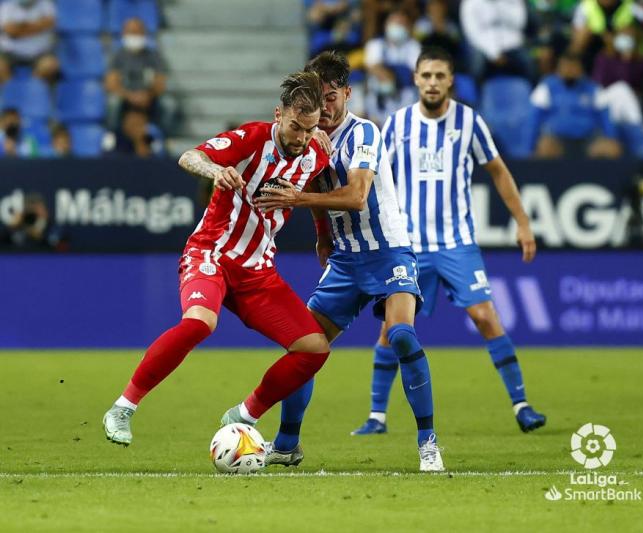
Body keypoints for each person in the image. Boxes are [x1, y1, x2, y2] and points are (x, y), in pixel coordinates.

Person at [102, 71, 332, 447]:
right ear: (279, 114)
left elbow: (320, 186)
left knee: (314, 349)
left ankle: (243, 415)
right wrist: (216, 171)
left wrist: (322, 235)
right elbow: (189, 156)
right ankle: (123, 407)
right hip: (211, 252)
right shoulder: (253, 137)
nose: (302, 138)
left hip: (257, 270)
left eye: (309, 130)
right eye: (295, 128)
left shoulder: (315, 154)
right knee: (199, 323)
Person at [243, 50, 444, 472]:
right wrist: (320, 233)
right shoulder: (312, 138)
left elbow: (355, 196)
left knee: (402, 335)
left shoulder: (363, 133)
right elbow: (317, 181)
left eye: (331, 95)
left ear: (347, 93)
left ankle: (428, 442)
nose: (325, 104)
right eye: (318, 96)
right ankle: (286, 444)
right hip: (347, 260)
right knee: (307, 348)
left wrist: (297, 200)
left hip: (388, 250)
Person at [349, 48, 546, 437]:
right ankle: (376, 416)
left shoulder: (470, 122)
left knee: (486, 317)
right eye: (426, 75)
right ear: (416, 79)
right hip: (407, 245)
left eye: (440, 75)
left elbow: (499, 172)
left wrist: (523, 223)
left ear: (451, 79)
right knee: (392, 327)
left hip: (457, 243)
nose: (433, 82)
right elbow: (371, 175)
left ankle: (522, 406)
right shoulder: (397, 124)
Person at [530, 52, 623, 158]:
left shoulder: (593, 89)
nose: (569, 71)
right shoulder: (546, 87)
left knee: (611, 149)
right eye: (565, 67)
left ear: (580, 69)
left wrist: (611, 139)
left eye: (573, 67)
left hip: (588, 140)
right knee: (545, 147)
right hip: (557, 140)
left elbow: (606, 120)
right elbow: (534, 119)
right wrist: (529, 148)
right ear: (558, 69)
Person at [105, 18, 176, 134]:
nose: (134, 36)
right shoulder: (117, 56)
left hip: (149, 98)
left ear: (144, 34)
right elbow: (111, 83)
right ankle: (112, 135)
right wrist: (130, 96)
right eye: (131, 32)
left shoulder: (153, 56)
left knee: (169, 104)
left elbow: (160, 82)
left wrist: (148, 94)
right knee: (113, 102)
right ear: (124, 34)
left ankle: (163, 137)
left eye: (138, 32)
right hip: (125, 98)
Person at [0, 0, 59, 84]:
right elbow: (10, 30)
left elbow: (49, 22)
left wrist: (20, 28)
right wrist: (38, 26)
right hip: (10, 52)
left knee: (50, 65)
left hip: (41, 52)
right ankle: (12, 91)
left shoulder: (46, 4)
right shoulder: (7, 6)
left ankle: (31, 89)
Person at [0, 192, 66, 251]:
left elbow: (64, 247)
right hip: (18, 261)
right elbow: (4, 243)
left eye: (39, 207)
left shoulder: (53, 226)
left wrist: (41, 237)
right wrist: (12, 227)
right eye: (32, 208)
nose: (36, 211)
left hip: (48, 261)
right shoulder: (20, 226)